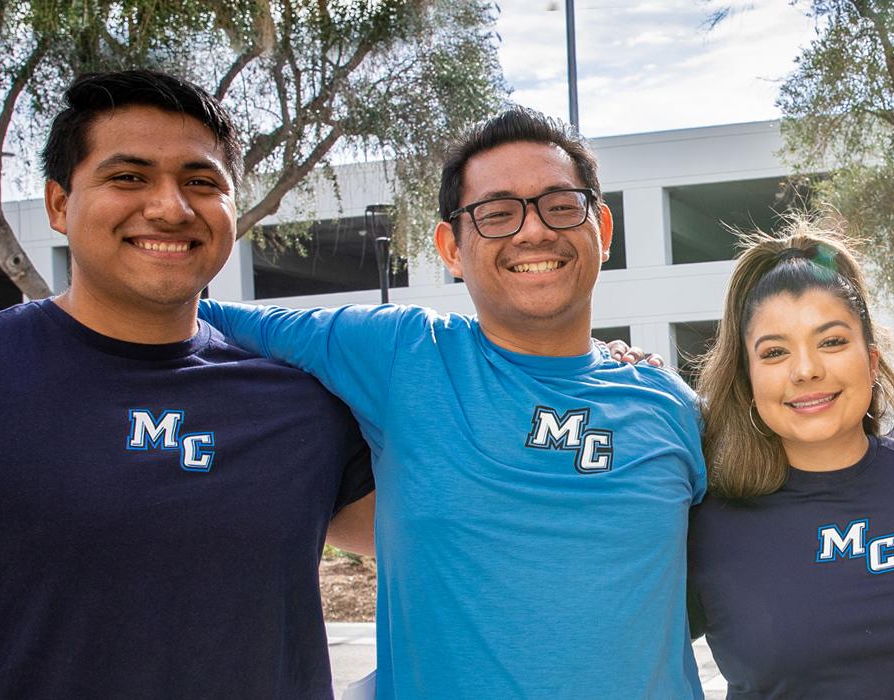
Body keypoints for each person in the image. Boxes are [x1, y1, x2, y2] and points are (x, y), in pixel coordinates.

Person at [0, 70, 374, 699]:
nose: (171, 208)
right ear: (59, 205)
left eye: (202, 182)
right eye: (128, 177)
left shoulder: (305, 402)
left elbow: (450, 530)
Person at [196, 107, 708, 698]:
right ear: (451, 248)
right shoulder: (400, 352)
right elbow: (199, 316)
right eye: (496, 214)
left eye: (561, 205)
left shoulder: (674, 407)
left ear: (603, 229)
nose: (533, 231)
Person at [685, 223, 894, 698]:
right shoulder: (705, 523)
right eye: (775, 351)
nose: (806, 370)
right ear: (747, 380)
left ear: (870, 360)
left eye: (831, 341)